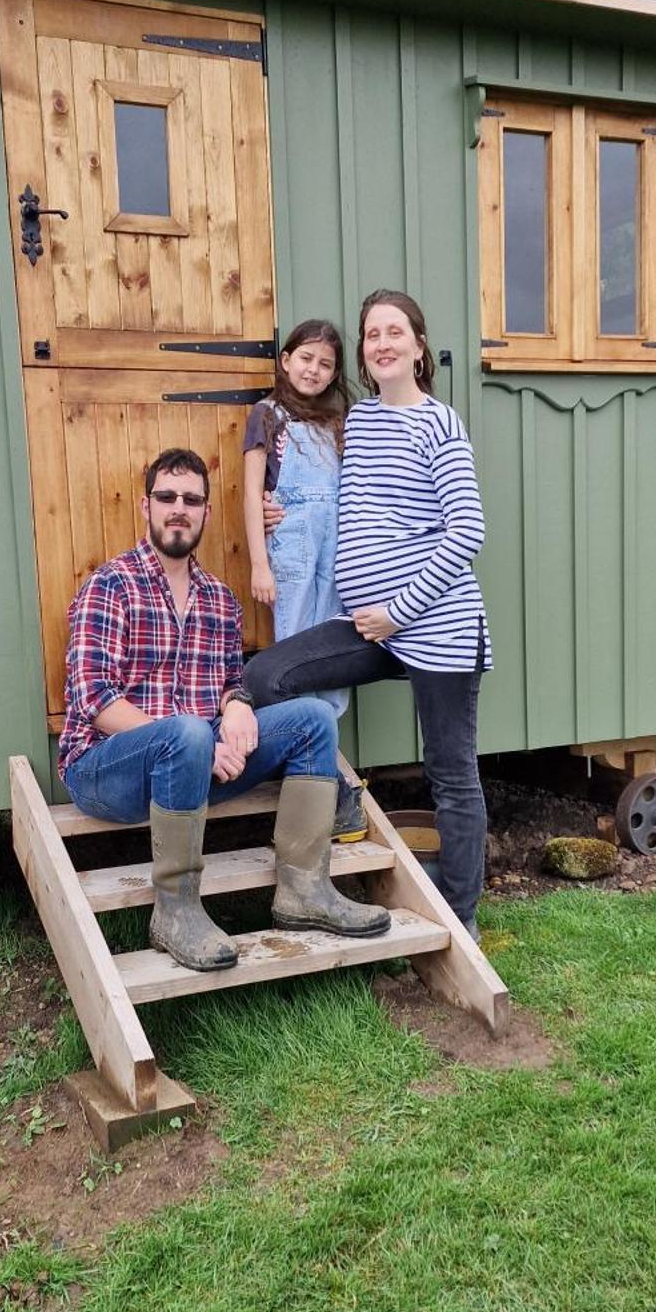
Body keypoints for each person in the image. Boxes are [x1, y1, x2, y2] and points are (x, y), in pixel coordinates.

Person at [58, 447, 390, 972]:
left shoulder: (219, 600)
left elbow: (231, 683)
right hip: (107, 770)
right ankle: (175, 911)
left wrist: (237, 705)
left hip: (196, 764)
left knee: (313, 719)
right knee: (186, 731)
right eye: (166, 497)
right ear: (146, 506)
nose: (178, 508)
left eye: (191, 499)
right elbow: (95, 702)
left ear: (206, 513)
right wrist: (199, 739)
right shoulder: (110, 586)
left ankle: (304, 888)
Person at [243, 292, 492, 938]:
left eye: (393, 332)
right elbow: (322, 492)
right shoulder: (356, 423)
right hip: (366, 628)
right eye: (370, 334)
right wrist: (277, 512)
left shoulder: (438, 423)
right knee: (269, 676)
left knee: (450, 773)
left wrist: (399, 611)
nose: (380, 343)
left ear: (416, 346)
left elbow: (466, 530)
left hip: (436, 627)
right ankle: (331, 798)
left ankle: (459, 918)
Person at [242, 319, 365, 843]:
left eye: (326, 363)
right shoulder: (267, 416)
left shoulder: (340, 423)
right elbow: (251, 494)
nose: (313, 369)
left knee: (333, 651)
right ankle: (320, 773)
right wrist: (258, 564)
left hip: (336, 548)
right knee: (292, 652)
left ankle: (323, 764)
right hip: (291, 547)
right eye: (306, 358)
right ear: (286, 359)